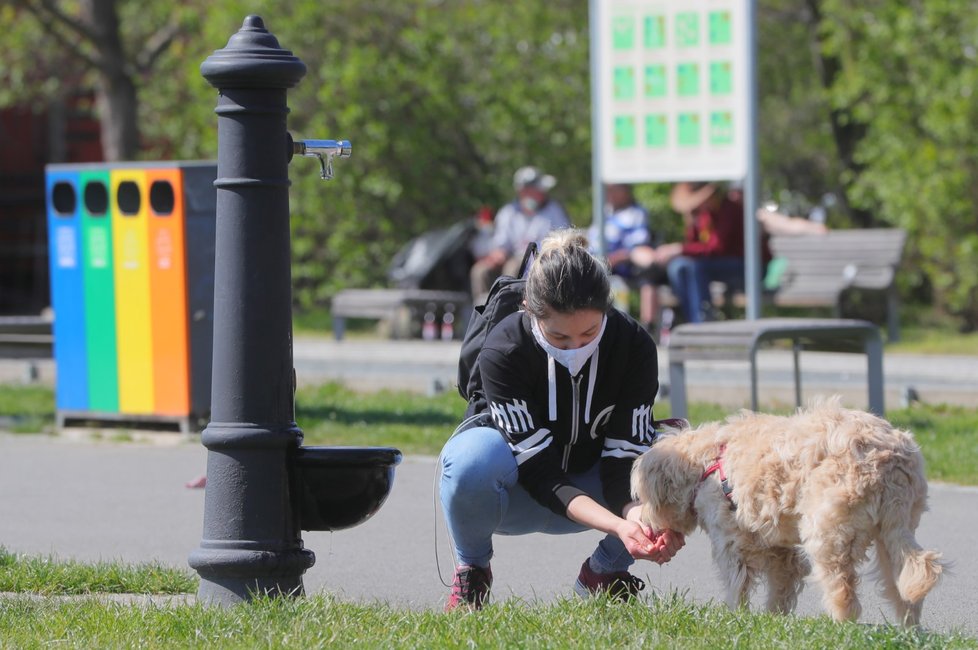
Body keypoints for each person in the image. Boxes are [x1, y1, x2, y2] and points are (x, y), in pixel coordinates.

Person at [440, 229, 686, 612]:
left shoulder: (633, 344)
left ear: (608, 308)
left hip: (599, 483)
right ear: (528, 309)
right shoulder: (504, 349)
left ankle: (604, 571)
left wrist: (641, 519)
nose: (577, 348)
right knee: (470, 457)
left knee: (680, 457)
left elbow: (626, 460)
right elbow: (540, 472)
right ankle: (472, 569)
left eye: (589, 332)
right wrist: (619, 524)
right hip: (514, 492)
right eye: (559, 337)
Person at [650, 182, 750, 323]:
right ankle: (691, 320)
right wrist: (691, 222)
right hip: (714, 265)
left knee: (698, 267)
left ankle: (704, 317)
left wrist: (679, 249)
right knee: (677, 267)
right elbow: (695, 245)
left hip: (741, 265)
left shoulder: (729, 210)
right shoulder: (704, 215)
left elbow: (715, 248)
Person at [470, 166, 570, 304]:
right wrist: (498, 253)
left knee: (515, 267)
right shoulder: (508, 212)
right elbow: (501, 245)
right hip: (512, 257)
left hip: (543, 261)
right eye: (538, 189)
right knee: (480, 271)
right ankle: (484, 314)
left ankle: (511, 311)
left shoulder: (554, 211)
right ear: (524, 191)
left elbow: (563, 241)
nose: (543, 193)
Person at [588, 183, 669, 332]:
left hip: (626, 264)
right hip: (599, 262)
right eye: (608, 191)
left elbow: (637, 246)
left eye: (614, 190)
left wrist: (614, 259)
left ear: (625, 191)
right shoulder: (604, 212)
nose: (609, 194)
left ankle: (647, 326)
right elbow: (592, 240)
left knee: (651, 272)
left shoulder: (636, 213)